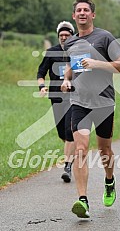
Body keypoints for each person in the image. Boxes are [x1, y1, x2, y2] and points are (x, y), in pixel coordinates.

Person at [61, 0, 120, 218]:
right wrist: (66, 79)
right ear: (74, 16)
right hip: (79, 101)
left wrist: (97, 63)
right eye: (78, 10)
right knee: (80, 149)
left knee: (104, 151)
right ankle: (83, 200)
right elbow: (72, 64)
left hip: (104, 102)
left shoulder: (105, 37)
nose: (82, 13)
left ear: (92, 15)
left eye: (86, 10)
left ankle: (109, 181)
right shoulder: (69, 42)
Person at [37, 21, 75, 183]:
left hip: (74, 97)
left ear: (72, 36)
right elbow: (41, 71)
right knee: (62, 133)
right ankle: (71, 153)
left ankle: (67, 166)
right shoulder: (51, 52)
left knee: (69, 131)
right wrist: (41, 86)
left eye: (67, 35)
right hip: (56, 97)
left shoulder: (78, 51)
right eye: (61, 35)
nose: (64, 38)